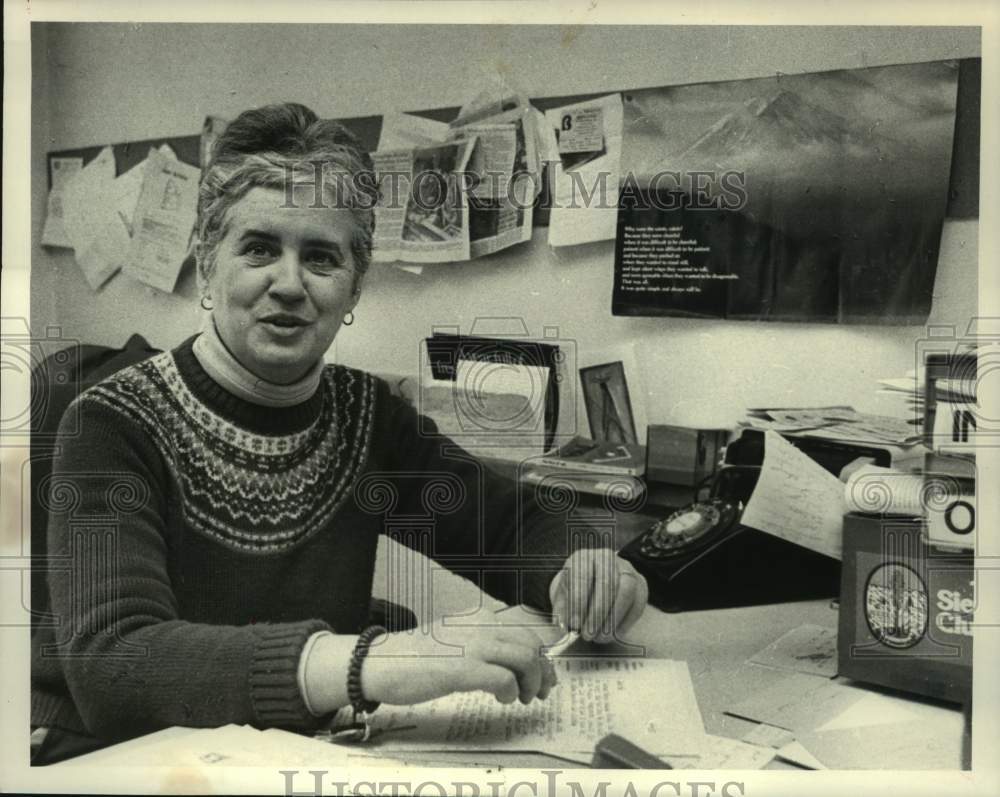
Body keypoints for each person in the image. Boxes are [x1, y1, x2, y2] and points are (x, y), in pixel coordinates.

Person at [30, 102, 648, 763]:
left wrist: (581, 567)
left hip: (302, 755)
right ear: (208, 261)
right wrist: (371, 662)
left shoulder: (366, 416)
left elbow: (506, 528)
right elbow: (115, 664)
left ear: (354, 290)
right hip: (126, 761)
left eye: (321, 257)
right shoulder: (109, 422)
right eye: (259, 248)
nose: (289, 284)